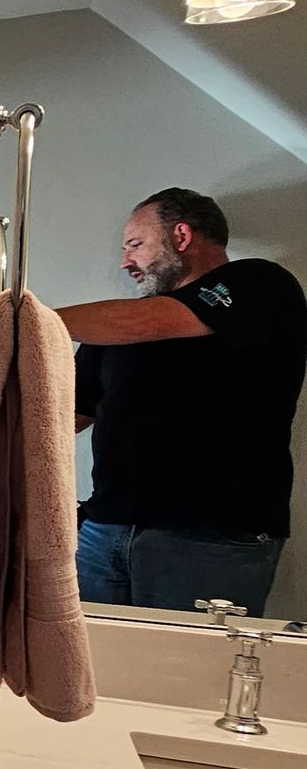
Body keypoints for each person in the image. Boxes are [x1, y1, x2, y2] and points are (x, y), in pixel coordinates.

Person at [61, 189, 307, 616]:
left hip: (212, 538)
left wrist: (25, 318)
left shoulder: (260, 285)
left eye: (135, 245)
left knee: (189, 677)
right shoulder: (117, 331)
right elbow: (63, 420)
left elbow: (151, 322)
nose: (125, 262)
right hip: (105, 531)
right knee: (89, 672)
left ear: (181, 235)